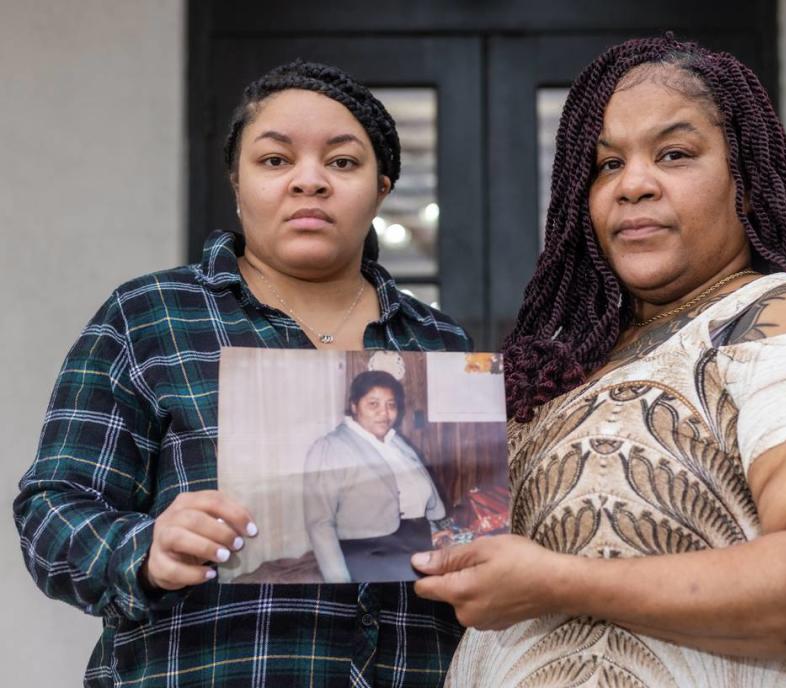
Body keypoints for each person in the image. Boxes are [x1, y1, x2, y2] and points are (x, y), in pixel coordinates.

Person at [412, 35, 786, 687]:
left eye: (674, 154)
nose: (633, 184)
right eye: (606, 165)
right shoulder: (558, 371)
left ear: (745, 183)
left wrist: (560, 582)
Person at [14, 60, 471, 687]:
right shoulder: (149, 318)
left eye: (342, 162)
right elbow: (50, 510)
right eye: (275, 160)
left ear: (382, 188)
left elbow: (467, 532)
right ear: (237, 183)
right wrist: (143, 548)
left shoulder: (440, 343)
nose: (309, 181)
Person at [305, 370, 446, 583]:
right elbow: (320, 524)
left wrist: (433, 533)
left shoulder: (397, 444)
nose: (385, 413)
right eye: (373, 404)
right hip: (371, 554)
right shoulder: (330, 448)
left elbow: (419, 498)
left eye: (391, 405)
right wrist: (339, 583)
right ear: (354, 406)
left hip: (417, 544)